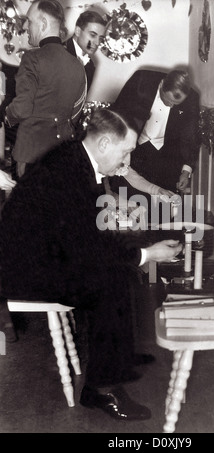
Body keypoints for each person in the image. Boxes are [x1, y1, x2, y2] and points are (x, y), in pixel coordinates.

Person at [0, 107, 182, 421]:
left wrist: (119, 214)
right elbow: (89, 250)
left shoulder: (76, 158)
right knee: (109, 280)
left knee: (117, 264)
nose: (127, 163)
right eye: (124, 153)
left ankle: (115, 356)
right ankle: (102, 389)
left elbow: (88, 224)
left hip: (44, 255)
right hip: (23, 270)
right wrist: (149, 254)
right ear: (103, 145)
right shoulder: (69, 170)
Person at [4, 0, 87, 178]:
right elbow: (76, 112)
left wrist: (6, 117)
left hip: (31, 153)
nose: (26, 26)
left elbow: (21, 109)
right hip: (62, 153)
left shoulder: (32, 58)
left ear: (43, 24)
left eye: (30, 21)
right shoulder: (77, 65)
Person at [112, 68, 200, 195]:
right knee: (128, 199)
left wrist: (186, 171)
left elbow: (191, 137)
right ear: (162, 85)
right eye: (169, 100)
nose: (171, 106)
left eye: (176, 104)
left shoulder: (192, 99)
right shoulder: (141, 81)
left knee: (162, 204)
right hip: (134, 149)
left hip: (167, 157)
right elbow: (118, 114)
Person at [64, 10, 105, 94]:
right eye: (93, 35)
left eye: (100, 38)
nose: (97, 43)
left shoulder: (90, 66)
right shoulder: (59, 53)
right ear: (78, 31)